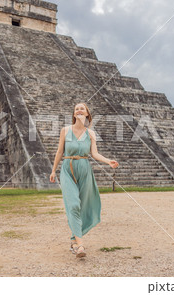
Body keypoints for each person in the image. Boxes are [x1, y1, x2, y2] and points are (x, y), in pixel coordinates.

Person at [50, 103, 119, 258]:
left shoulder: (91, 134)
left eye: (82, 108)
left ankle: (74, 240)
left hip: (85, 170)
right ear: (74, 114)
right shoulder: (65, 130)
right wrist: (53, 170)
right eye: (76, 109)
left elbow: (94, 154)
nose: (79, 110)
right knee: (73, 204)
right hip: (68, 169)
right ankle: (80, 246)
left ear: (87, 114)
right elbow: (60, 151)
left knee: (84, 205)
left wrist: (108, 161)